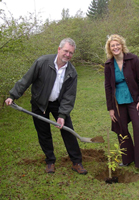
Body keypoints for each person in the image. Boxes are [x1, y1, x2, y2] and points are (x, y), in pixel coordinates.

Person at [5, 38, 87, 175]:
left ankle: (76, 162)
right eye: (66, 51)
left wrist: (62, 115)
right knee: (43, 133)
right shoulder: (42, 62)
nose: (68, 55)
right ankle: (50, 161)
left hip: (58, 104)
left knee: (67, 130)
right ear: (59, 49)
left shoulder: (72, 72)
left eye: (71, 53)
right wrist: (13, 95)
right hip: (39, 102)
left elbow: (69, 96)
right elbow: (26, 79)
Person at [104, 34, 139, 176]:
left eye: (117, 44)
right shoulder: (108, 65)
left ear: (122, 45)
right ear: (109, 48)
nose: (115, 47)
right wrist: (111, 108)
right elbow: (108, 87)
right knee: (121, 130)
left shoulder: (133, 59)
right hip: (118, 103)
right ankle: (127, 158)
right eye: (112, 45)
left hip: (134, 101)